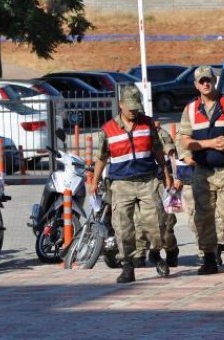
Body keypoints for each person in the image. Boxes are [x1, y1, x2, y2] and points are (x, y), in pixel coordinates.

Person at [90, 84, 172, 283]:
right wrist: (94, 181)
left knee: (156, 222)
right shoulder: (108, 130)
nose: (134, 112)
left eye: (137, 108)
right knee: (123, 227)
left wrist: (167, 174)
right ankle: (127, 266)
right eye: (130, 108)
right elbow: (101, 157)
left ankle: (155, 253)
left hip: (148, 180)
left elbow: (158, 151)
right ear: (121, 105)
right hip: (121, 184)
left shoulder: (148, 124)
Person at [179, 65, 224, 275]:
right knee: (204, 217)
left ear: (214, 81)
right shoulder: (190, 109)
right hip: (203, 171)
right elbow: (185, 140)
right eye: (201, 81)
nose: (205, 84)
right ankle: (209, 258)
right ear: (196, 85)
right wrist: (210, 144)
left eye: (208, 80)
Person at [174, 131, 224, 266]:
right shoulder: (182, 135)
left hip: (217, 177)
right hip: (190, 182)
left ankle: (216, 248)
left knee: (220, 216)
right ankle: (204, 250)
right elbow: (187, 159)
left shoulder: (212, 128)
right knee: (195, 220)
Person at [134, 120, 180, 268]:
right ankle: (140, 254)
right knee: (139, 221)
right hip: (140, 183)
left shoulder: (159, 133)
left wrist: (176, 177)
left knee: (166, 223)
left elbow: (172, 155)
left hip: (163, 183)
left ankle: (171, 250)